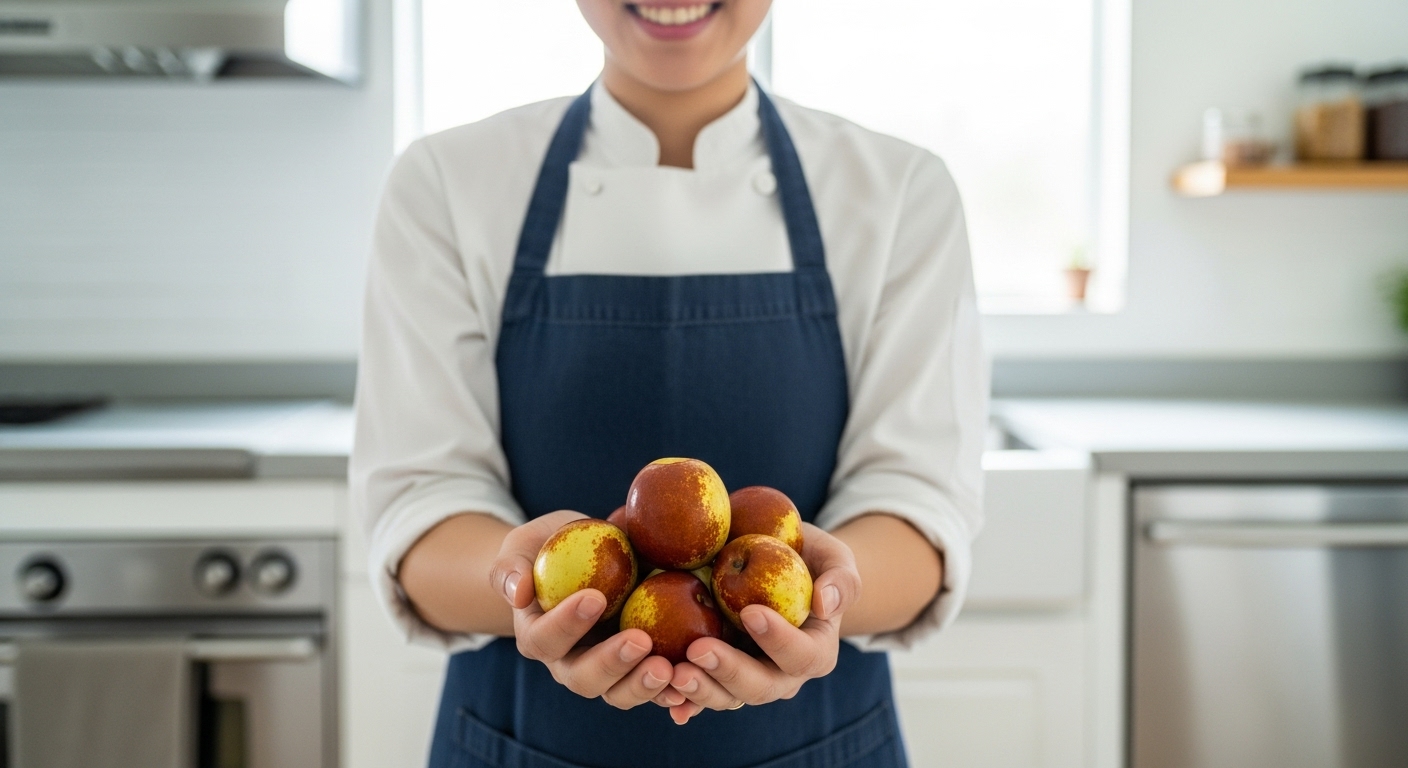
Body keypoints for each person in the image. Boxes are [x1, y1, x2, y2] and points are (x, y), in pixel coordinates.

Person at [350, 1, 987, 765]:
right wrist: (529, 587)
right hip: (518, 740)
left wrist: (821, 597)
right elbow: (420, 507)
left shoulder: (900, 190)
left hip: (822, 740)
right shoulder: (446, 185)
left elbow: (916, 504)